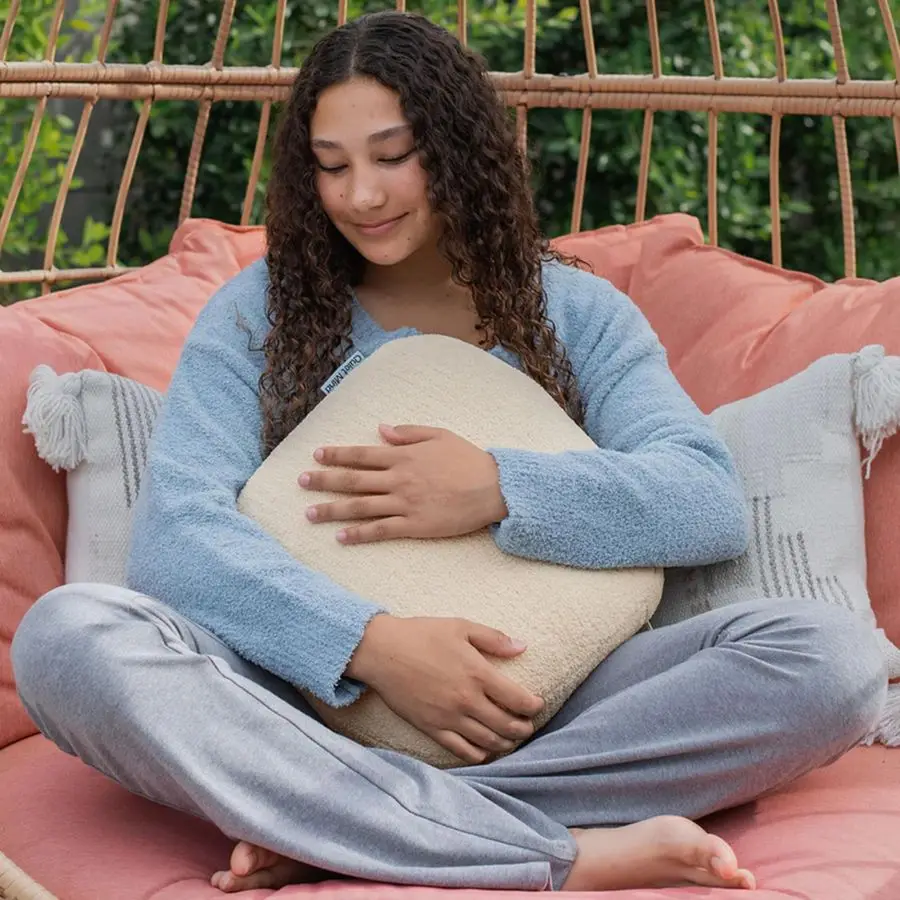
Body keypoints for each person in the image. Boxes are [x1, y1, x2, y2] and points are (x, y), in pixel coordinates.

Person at [11, 10, 885, 896]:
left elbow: (704, 499)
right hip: (291, 701)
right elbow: (176, 538)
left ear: (459, 147)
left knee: (832, 662)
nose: (362, 195)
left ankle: (348, 824)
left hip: (553, 697)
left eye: (393, 156)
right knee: (67, 638)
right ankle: (554, 851)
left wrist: (500, 487)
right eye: (332, 164)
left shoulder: (575, 316)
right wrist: (372, 647)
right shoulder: (259, 313)